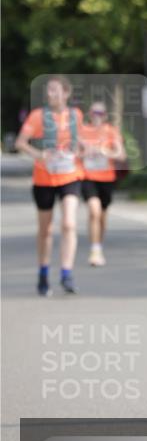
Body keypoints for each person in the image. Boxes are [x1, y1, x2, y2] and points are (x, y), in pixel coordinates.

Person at [15, 75, 84, 296]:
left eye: (55, 90)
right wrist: (40, 154)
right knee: (46, 230)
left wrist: (81, 151)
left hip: (70, 176)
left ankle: (67, 273)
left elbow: (80, 143)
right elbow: (20, 143)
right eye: (48, 90)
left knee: (69, 224)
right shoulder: (37, 117)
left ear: (66, 93)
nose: (50, 94)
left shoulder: (76, 116)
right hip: (44, 178)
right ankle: (43, 273)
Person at [80, 101, 125, 266]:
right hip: (87, 176)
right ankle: (95, 250)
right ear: (89, 115)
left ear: (105, 116)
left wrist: (105, 151)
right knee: (94, 211)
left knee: (102, 216)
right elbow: (74, 153)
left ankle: (99, 244)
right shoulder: (83, 131)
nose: (96, 116)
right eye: (94, 113)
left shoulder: (111, 132)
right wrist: (85, 152)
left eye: (100, 113)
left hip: (106, 178)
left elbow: (121, 155)